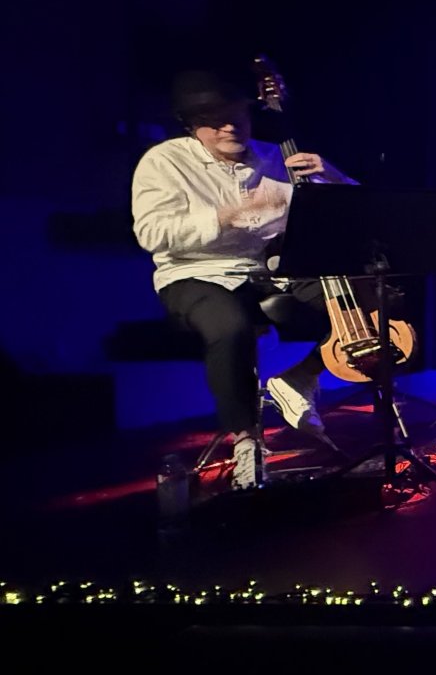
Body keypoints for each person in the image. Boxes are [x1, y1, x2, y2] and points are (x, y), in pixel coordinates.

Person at [131, 71, 351, 488]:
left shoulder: (275, 157)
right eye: (216, 121)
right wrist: (223, 216)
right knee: (230, 328)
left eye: (237, 117)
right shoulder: (163, 162)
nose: (230, 127)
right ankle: (247, 441)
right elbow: (151, 234)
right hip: (195, 274)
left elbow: (349, 212)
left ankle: (300, 377)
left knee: (365, 306)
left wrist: (333, 176)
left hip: (267, 273)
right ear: (192, 127)